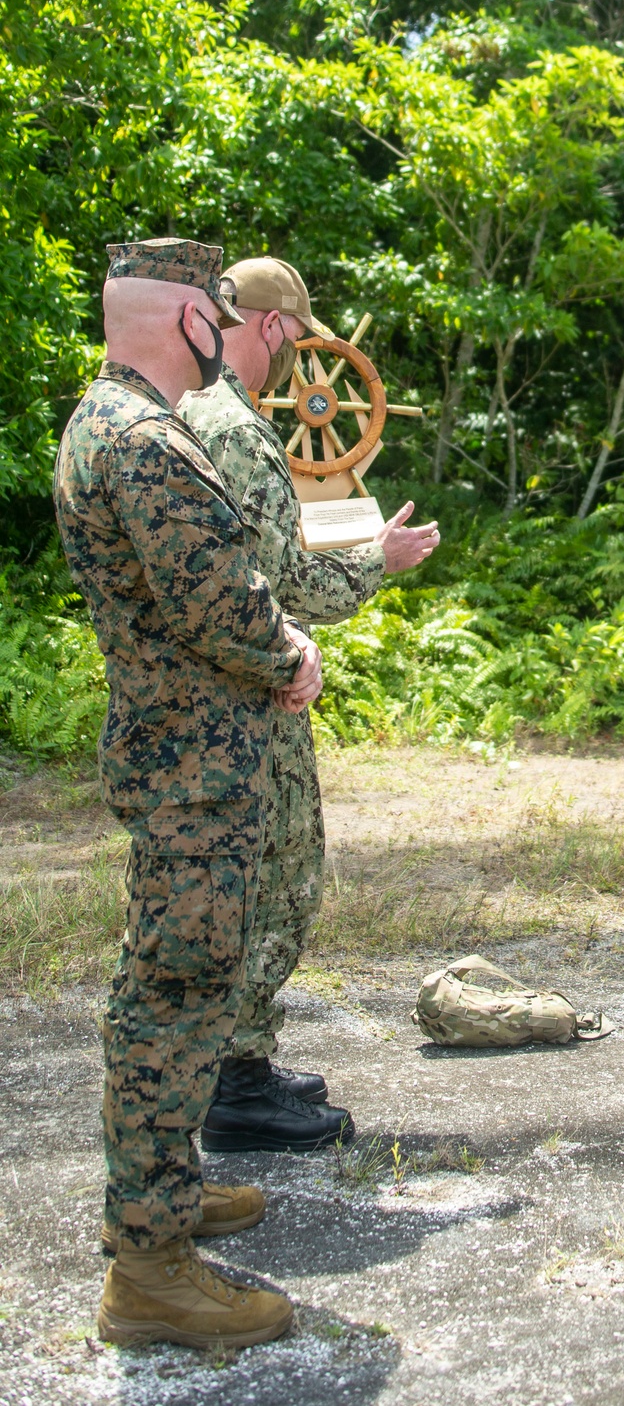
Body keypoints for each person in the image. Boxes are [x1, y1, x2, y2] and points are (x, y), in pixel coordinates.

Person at [54, 238, 323, 1349]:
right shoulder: (150, 442)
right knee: (174, 994)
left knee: (168, 986)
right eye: (216, 311)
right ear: (187, 320)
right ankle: (153, 1268)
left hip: (178, 754)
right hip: (198, 767)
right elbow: (225, 605)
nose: (229, 328)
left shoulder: (100, 422)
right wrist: (290, 653)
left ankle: (158, 1189)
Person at [176, 255, 439, 1152]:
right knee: (277, 878)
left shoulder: (186, 412)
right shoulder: (242, 433)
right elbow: (281, 583)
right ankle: (237, 1083)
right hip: (253, 704)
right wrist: (381, 561)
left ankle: (233, 1067)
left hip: (207, 692)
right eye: (299, 335)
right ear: (280, 328)